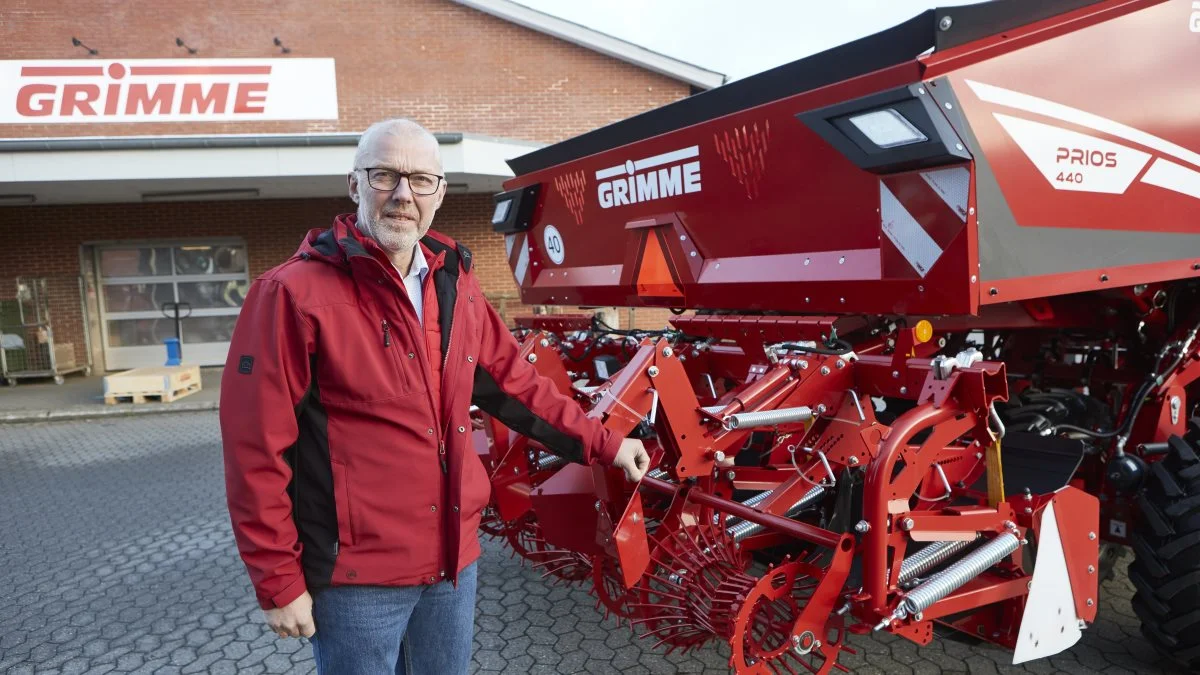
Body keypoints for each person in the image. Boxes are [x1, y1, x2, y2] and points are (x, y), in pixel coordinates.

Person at [219, 118, 650, 674]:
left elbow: (517, 385)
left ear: (439, 193)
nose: (403, 195)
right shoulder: (292, 295)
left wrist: (606, 444)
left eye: (421, 180)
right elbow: (255, 450)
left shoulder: (454, 283)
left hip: (452, 566)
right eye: (386, 176)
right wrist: (278, 580)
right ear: (355, 185)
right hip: (357, 580)